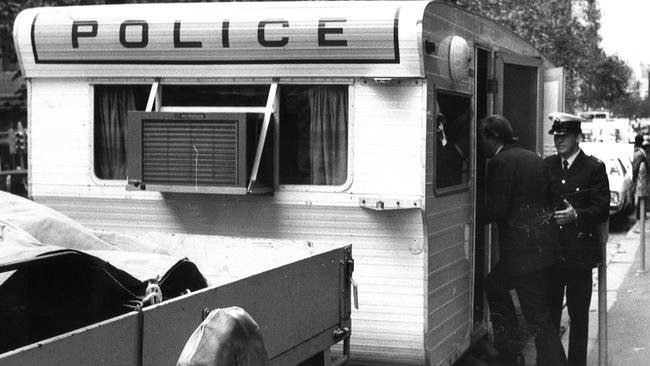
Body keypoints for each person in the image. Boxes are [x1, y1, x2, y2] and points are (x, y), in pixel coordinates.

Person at [478, 114, 567, 366]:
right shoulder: (533, 158)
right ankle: (509, 349)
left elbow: (498, 209)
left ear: (494, 136)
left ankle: (512, 350)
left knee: (538, 318)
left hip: (522, 255)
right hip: (540, 250)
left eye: (482, 138)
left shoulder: (500, 162)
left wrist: (469, 213)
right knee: (495, 285)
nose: (480, 144)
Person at [544, 112, 609, 366]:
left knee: (578, 318)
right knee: (549, 317)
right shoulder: (547, 165)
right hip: (552, 255)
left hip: (579, 257)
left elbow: (602, 209)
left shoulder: (593, 168)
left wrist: (576, 215)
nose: (559, 140)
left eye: (564, 136)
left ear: (578, 137)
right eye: (556, 136)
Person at [632, 133, 647, 218]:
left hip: (638, 177)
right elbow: (636, 167)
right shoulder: (641, 152)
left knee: (639, 197)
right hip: (640, 178)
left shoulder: (635, 151)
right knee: (641, 197)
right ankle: (640, 215)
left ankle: (640, 215)